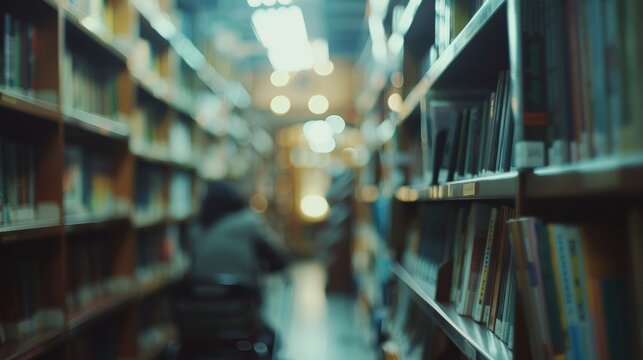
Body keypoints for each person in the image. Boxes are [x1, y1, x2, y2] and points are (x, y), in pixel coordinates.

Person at [179, 180, 291, 359]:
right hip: (239, 321)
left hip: (195, 323)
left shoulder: (196, 231)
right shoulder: (249, 222)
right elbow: (281, 258)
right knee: (272, 340)